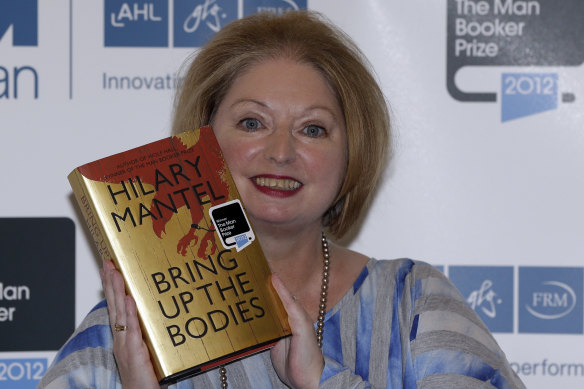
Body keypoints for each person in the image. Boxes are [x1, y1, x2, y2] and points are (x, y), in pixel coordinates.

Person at [39, 10, 525, 389]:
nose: (280, 152)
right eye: (252, 122)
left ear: (352, 154)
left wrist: (321, 379)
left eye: (313, 129)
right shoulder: (128, 329)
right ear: (202, 141)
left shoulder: (413, 303)